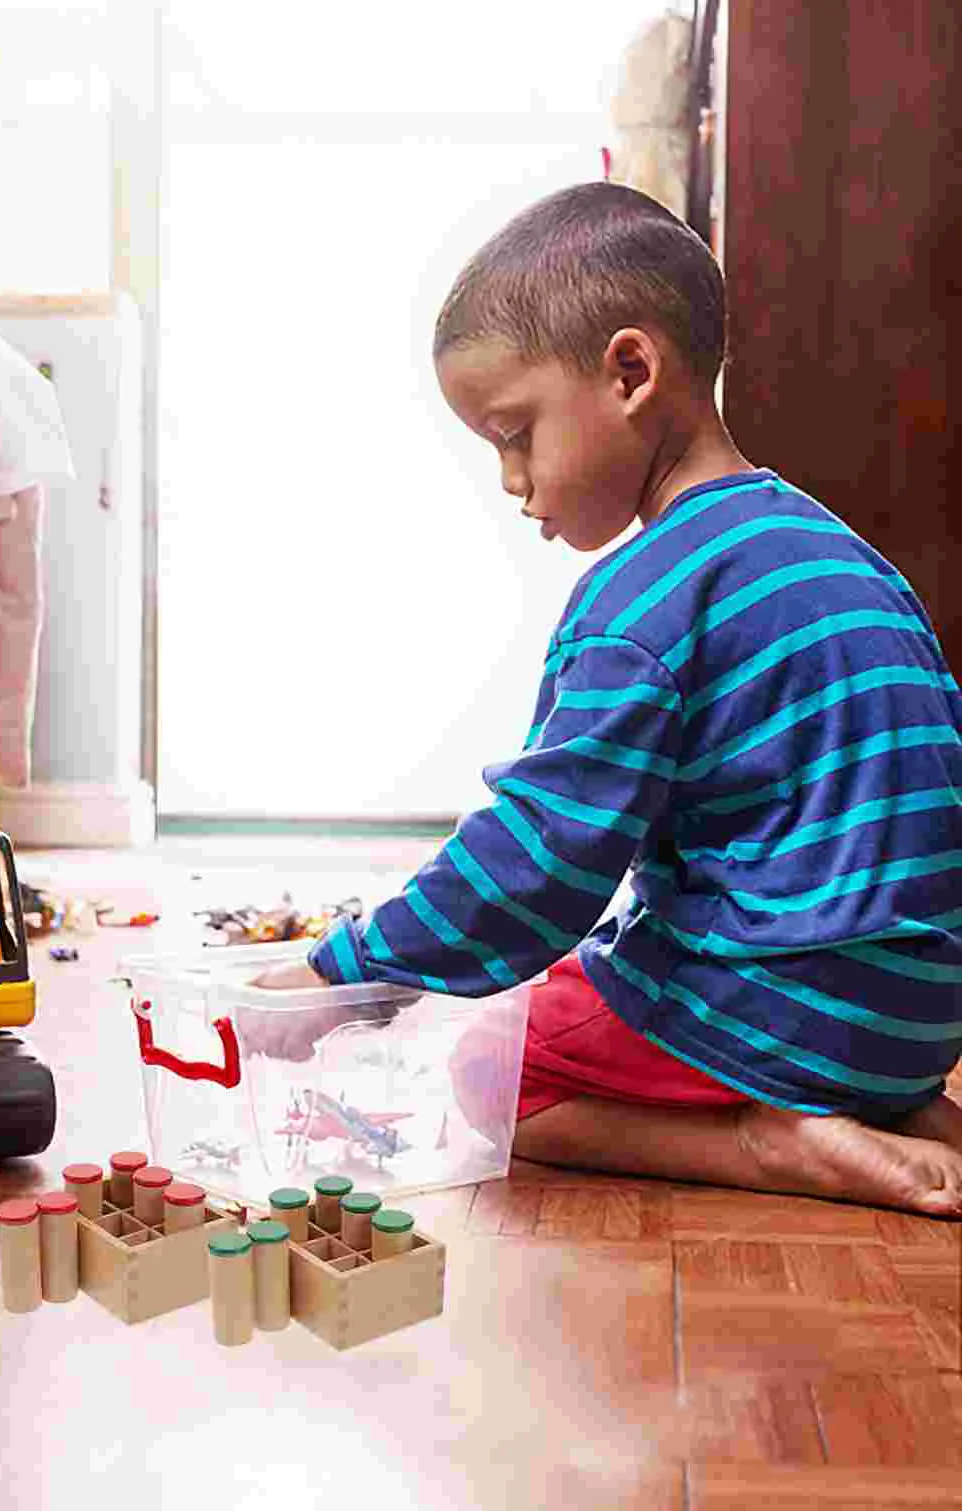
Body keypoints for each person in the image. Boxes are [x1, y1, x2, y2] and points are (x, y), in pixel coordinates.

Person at [253, 182, 962, 1217]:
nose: (510, 479)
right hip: (916, 1019)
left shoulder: (641, 602)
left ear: (630, 372)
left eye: (514, 433)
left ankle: (772, 1143)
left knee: (502, 1071)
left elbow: (539, 864)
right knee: (631, 965)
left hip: (774, 1013)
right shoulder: (838, 553)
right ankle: (886, 1106)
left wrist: (341, 977)